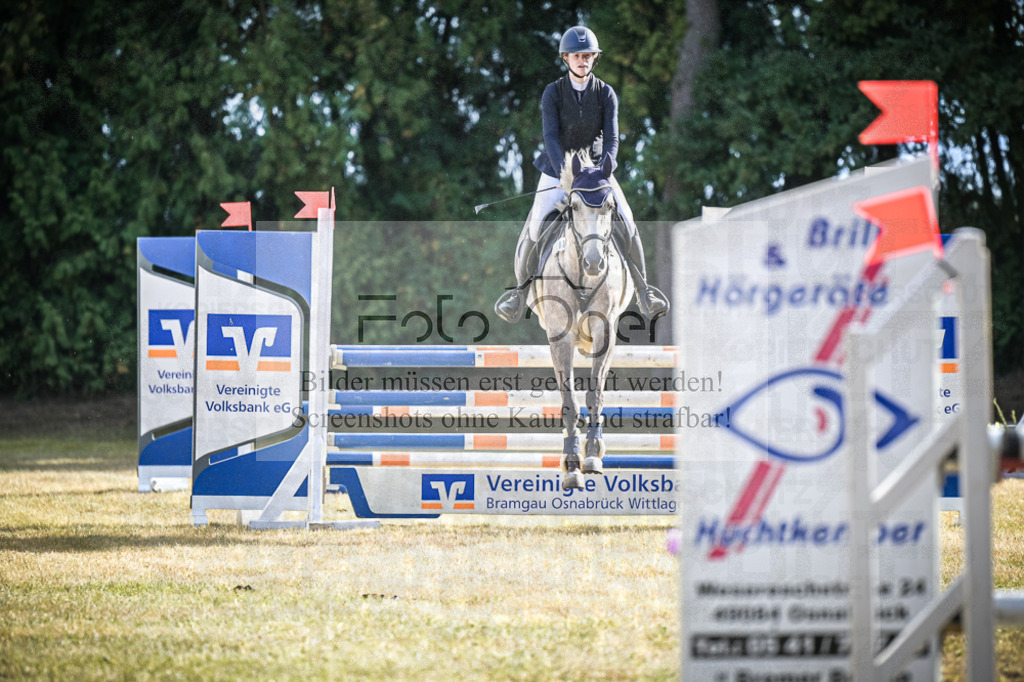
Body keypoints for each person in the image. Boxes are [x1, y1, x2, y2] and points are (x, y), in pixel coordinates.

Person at [494, 25, 669, 324]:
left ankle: (644, 291)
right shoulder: (553, 93)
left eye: (588, 55)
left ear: (593, 59)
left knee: (627, 219)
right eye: (577, 56)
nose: (582, 60)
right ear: (566, 58)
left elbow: (612, 138)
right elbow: (550, 136)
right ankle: (519, 294)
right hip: (557, 169)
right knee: (537, 224)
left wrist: (607, 166)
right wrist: (564, 170)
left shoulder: (606, 93)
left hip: (596, 172)